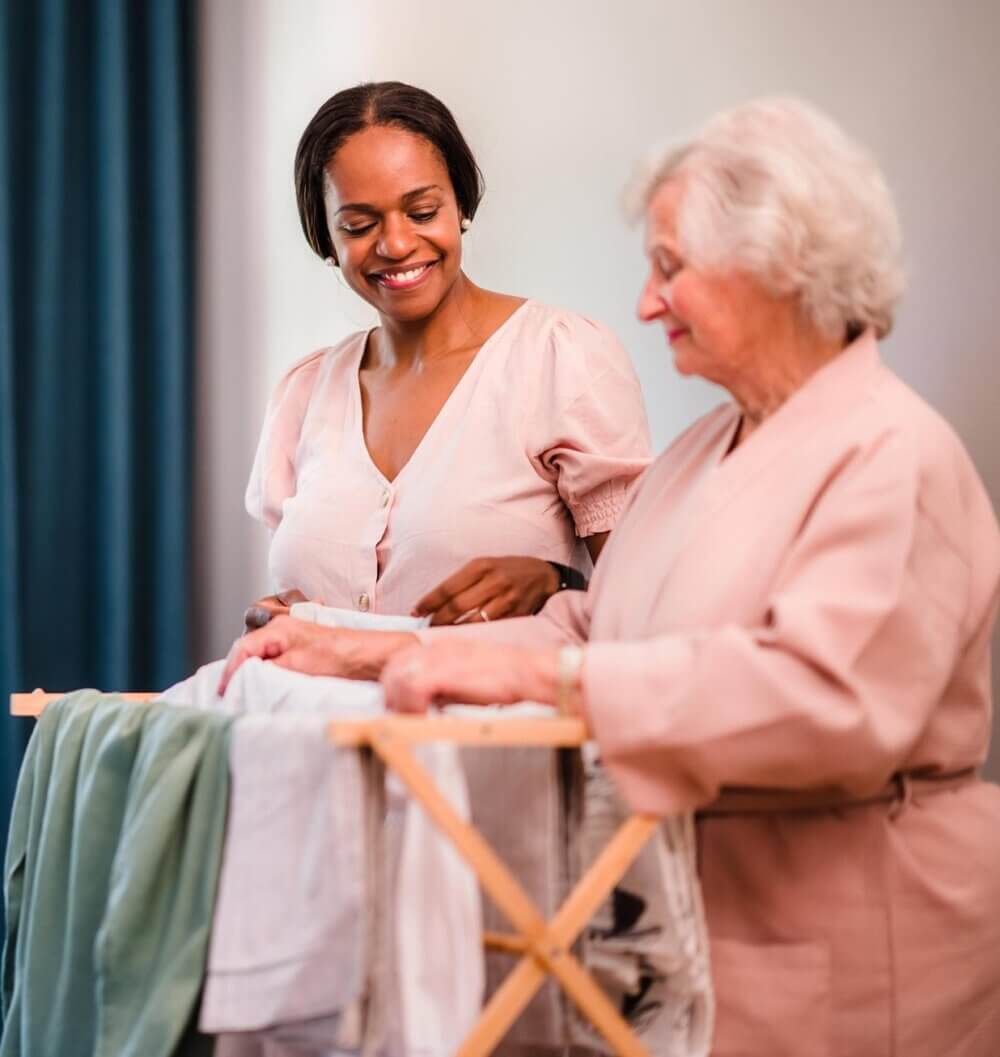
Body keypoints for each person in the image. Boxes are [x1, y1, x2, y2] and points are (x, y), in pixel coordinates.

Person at [223, 98, 1000, 1055]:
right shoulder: (709, 448)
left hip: (854, 943)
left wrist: (542, 679)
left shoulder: (893, 454)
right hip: (691, 935)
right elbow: (597, 626)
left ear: (782, 271)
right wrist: (350, 648)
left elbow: (824, 702)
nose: (647, 301)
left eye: (671, 268)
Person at [243, 81, 650, 630]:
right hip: (323, 715)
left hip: (498, 714)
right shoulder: (305, 392)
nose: (396, 244)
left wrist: (558, 582)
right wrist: (279, 621)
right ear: (326, 238)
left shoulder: (560, 358)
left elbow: (648, 602)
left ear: (460, 203)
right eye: (359, 226)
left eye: (422, 211)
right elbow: (298, 602)